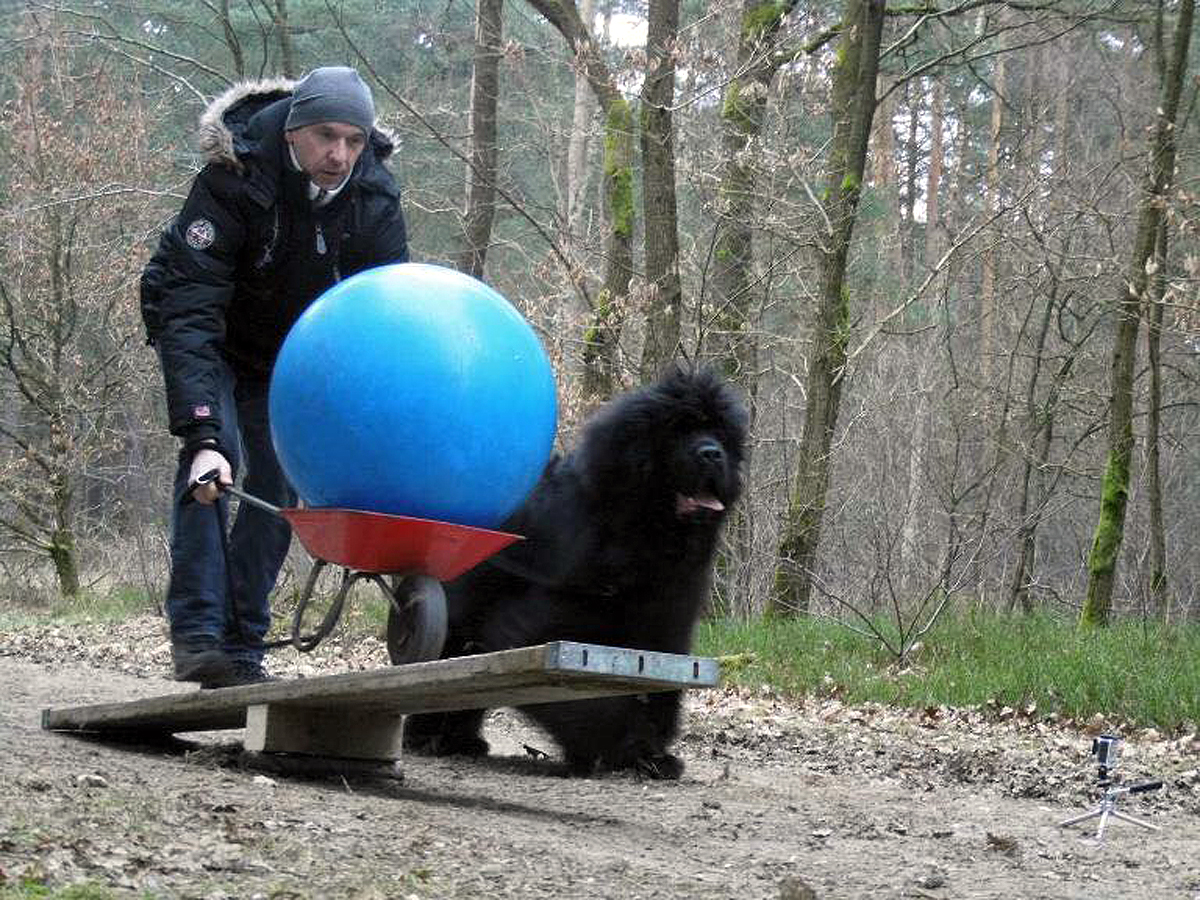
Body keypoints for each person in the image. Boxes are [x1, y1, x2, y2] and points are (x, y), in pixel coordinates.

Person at [140, 66, 409, 688]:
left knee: (280, 484)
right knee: (215, 463)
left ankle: (242, 647)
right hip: (206, 333)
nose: (338, 154)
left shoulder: (374, 200)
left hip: (287, 355)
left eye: (352, 140)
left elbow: (385, 316)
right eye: (324, 136)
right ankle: (199, 637)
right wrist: (202, 429)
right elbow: (190, 309)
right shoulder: (233, 179)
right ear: (294, 131)